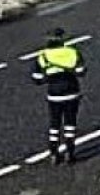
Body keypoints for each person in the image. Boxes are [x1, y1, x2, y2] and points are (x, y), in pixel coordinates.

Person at [30, 29, 86, 164]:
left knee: (55, 122)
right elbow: (81, 71)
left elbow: (37, 78)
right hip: (72, 91)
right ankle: (70, 152)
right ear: (62, 39)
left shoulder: (43, 56)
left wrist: (49, 78)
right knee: (70, 122)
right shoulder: (73, 52)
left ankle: (54, 153)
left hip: (54, 93)